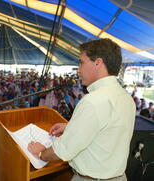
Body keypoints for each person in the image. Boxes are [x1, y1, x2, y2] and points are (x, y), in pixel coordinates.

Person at [28, 38, 136, 181]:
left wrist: (41, 153)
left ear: (98, 63)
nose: (78, 69)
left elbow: (62, 151)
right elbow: (108, 129)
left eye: (81, 62)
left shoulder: (93, 101)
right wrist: (71, 126)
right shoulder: (125, 97)